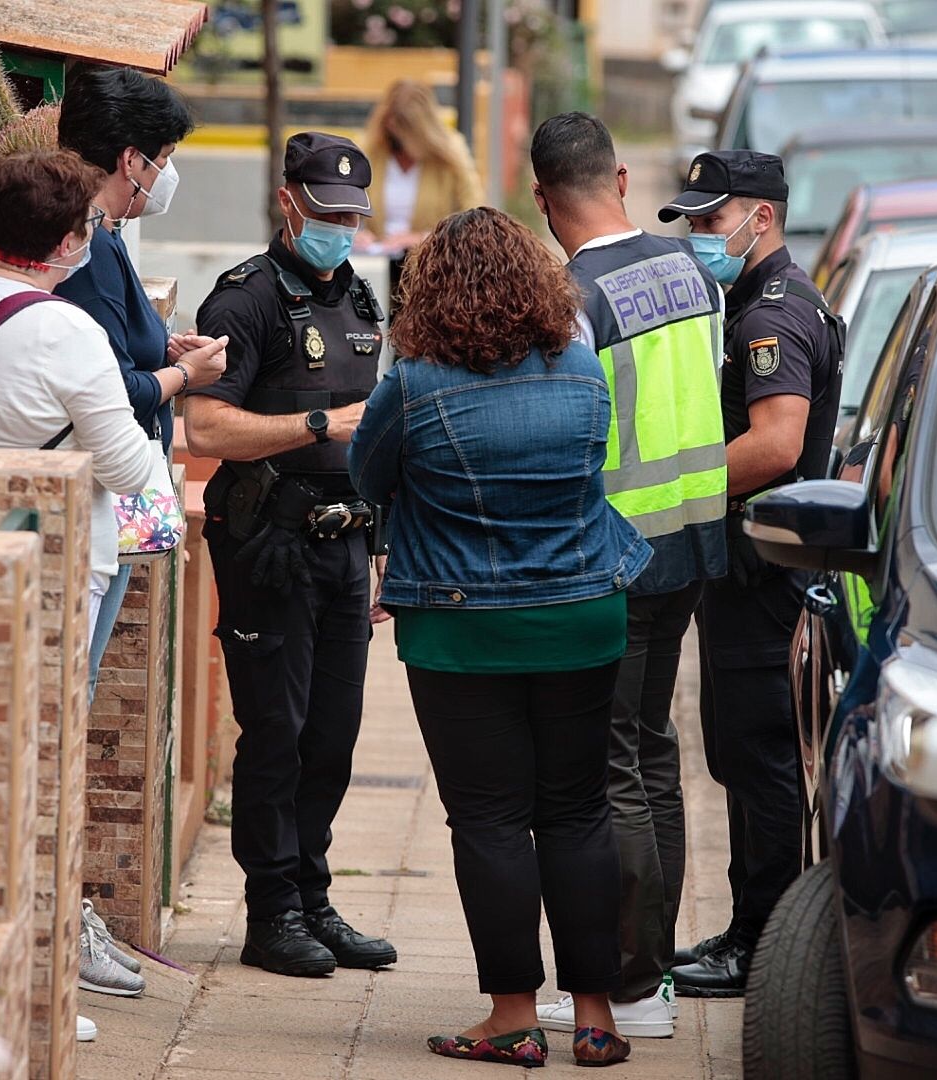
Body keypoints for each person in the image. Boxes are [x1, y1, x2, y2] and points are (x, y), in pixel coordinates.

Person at [350, 207, 650, 1069]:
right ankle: (596, 1014)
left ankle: (513, 1016)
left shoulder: (413, 384)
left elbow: (370, 476)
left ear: (430, 292)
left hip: (462, 628)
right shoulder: (583, 367)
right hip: (585, 609)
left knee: (488, 819)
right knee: (579, 809)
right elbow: (596, 467)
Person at [0, 151, 169, 1030]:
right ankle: (36, 981)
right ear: (61, 240)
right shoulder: (68, 332)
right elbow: (126, 464)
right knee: (36, 773)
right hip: (46, 575)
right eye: (88, 227)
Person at [527, 112, 728, 1039]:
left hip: (616, 556)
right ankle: (660, 976)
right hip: (690, 543)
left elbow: (567, 438)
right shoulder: (691, 269)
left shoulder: (573, 298)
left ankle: (634, 984)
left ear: (541, 198)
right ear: (618, 179)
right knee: (653, 755)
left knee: (612, 768)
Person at [184, 132, 396, 979]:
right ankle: (270, 912)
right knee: (277, 732)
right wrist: (319, 424)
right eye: (327, 214)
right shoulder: (244, 300)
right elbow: (202, 427)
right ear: (288, 203)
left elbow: (377, 433)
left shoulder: (362, 300)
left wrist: (386, 543)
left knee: (334, 737)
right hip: (269, 543)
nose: (340, 229)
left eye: (353, 217)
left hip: (347, 543)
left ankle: (312, 898)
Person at [658, 150, 844, 998]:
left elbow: (776, 444)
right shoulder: (755, 303)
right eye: (694, 221)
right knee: (738, 754)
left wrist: (673, 487)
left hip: (764, 576)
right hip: (752, 570)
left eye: (709, 219)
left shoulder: (770, 316)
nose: (701, 234)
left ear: (758, 217)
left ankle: (765, 945)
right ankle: (749, 930)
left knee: (759, 758)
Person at [56, 66, 229, 700]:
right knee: (80, 679)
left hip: (106, 493)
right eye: (162, 159)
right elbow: (112, 389)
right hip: (100, 491)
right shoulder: (90, 247)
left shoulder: (102, 235)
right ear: (130, 160)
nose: (164, 175)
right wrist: (187, 375)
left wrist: (166, 352)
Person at [358, 79, 484, 314]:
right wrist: (356, 233)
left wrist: (422, 238)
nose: (394, 130)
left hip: (432, 274)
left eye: (403, 127)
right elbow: (352, 205)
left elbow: (475, 217)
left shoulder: (451, 155)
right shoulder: (371, 152)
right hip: (378, 269)